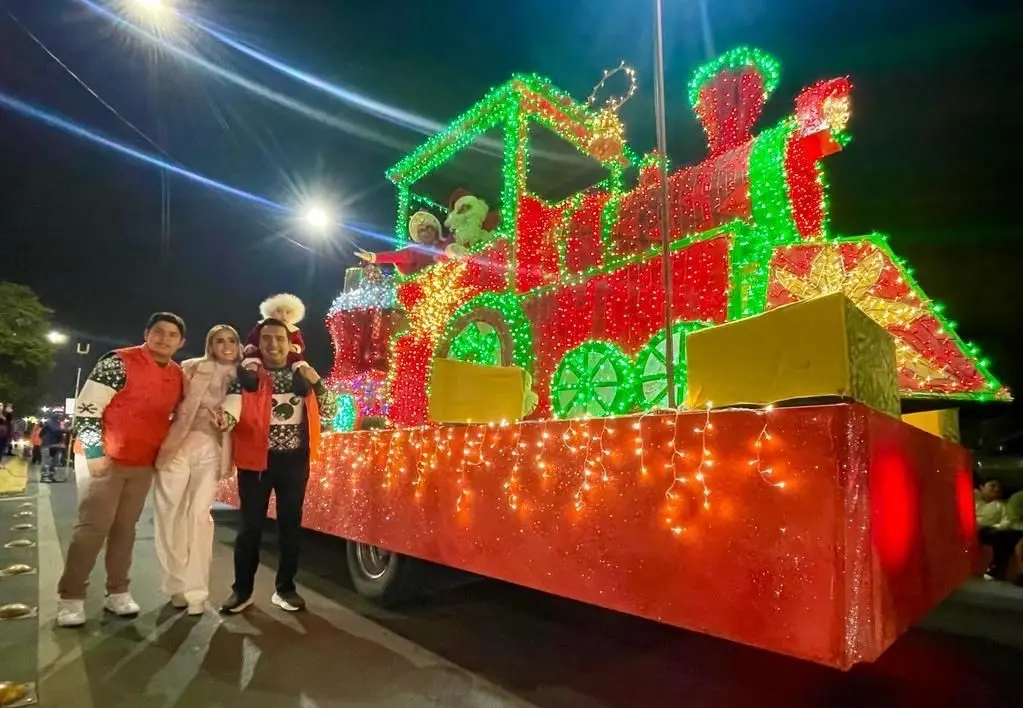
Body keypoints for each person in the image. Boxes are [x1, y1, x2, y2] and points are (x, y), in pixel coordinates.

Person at [56, 313, 186, 628]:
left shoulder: (178, 375)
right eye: (159, 332)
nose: (165, 339)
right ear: (147, 333)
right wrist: (95, 453)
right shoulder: (118, 362)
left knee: (125, 530)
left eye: (172, 335)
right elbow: (87, 409)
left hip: (142, 464)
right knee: (92, 529)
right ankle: (71, 598)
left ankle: (118, 592)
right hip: (105, 459)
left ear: (180, 343)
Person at [219, 318, 337, 614]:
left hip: (294, 464)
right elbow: (231, 409)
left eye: (279, 339)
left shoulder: (303, 375)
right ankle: (241, 592)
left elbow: (331, 409)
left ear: (290, 343)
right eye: (267, 338)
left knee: (290, 528)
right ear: (258, 344)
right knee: (250, 529)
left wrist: (317, 382)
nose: (273, 344)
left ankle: (286, 590)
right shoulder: (246, 376)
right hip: (255, 463)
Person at [153, 325, 240, 616]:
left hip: (212, 449)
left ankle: (197, 592)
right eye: (219, 341)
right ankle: (175, 585)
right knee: (169, 514)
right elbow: (163, 398)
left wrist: (227, 419)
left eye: (231, 340)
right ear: (209, 344)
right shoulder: (190, 367)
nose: (226, 346)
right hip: (176, 445)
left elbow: (246, 410)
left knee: (199, 516)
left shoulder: (246, 374)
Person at [39, 415, 66, 483]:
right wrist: (67, 430)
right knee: (46, 462)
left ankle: (51, 476)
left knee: (54, 462)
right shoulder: (50, 422)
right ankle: (45, 477)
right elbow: (55, 430)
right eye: (57, 413)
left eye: (60, 413)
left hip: (56, 445)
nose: (59, 414)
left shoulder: (59, 423)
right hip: (48, 445)